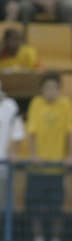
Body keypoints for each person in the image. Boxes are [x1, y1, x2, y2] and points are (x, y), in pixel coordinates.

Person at [25, 71, 72, 241]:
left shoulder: (65, 104)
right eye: (47, 88)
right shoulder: (36, 103)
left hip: (57, 168)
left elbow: (70, 132)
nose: (51, 91)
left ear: (59, 89)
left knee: (57, 207)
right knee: (35, 205)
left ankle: (56, 239)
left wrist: (70, 156)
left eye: (54, 88)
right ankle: (38, 238)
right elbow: (31, 132)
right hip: (37, 168)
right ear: (41, 90)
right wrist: (33, 155)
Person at [0, 80, 24, 210]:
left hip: (4, 171)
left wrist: (14, 151)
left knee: (4, 211)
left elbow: (18, 133)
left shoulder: (11, 106)